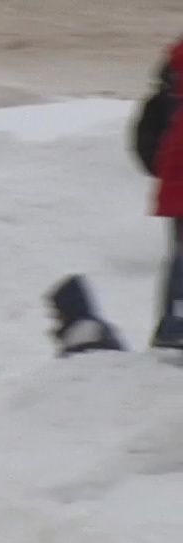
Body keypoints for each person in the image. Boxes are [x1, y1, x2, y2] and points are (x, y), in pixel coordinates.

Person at [139, 37, 183, 349]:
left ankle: (173, 326)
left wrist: (164, 170)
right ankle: (174, 329)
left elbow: (146, 136)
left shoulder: (172, 75)